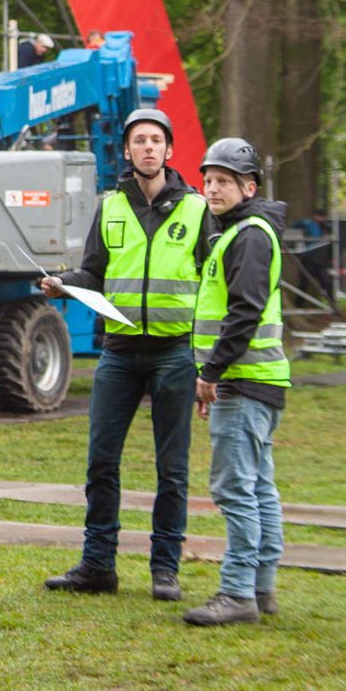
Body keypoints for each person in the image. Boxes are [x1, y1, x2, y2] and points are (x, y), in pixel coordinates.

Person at [38, 106, 215, 602]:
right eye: (140, 140)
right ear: (129, 149)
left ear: (170, 150)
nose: (148, 147)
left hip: (175, 354)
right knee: (101, 462)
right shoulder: (110, 206)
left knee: (172, 468)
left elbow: (214, 284)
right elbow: (93, 272)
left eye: (157, 139)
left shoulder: (197, 210)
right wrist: (63, 284)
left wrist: (211, 358)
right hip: (118, 353)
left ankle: (165, 569)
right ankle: (98, 565)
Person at [184, 137, 292, 627]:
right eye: (208, 180)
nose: (212, 188)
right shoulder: (241, 232)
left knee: (234, 490)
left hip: (244, 381)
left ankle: (237, 592)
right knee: (259, 486)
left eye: (223, 181)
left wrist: (211, 372)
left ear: (248, 186)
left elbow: (243, 311)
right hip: (258, 381)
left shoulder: (248, 235)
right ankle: (262, 587)